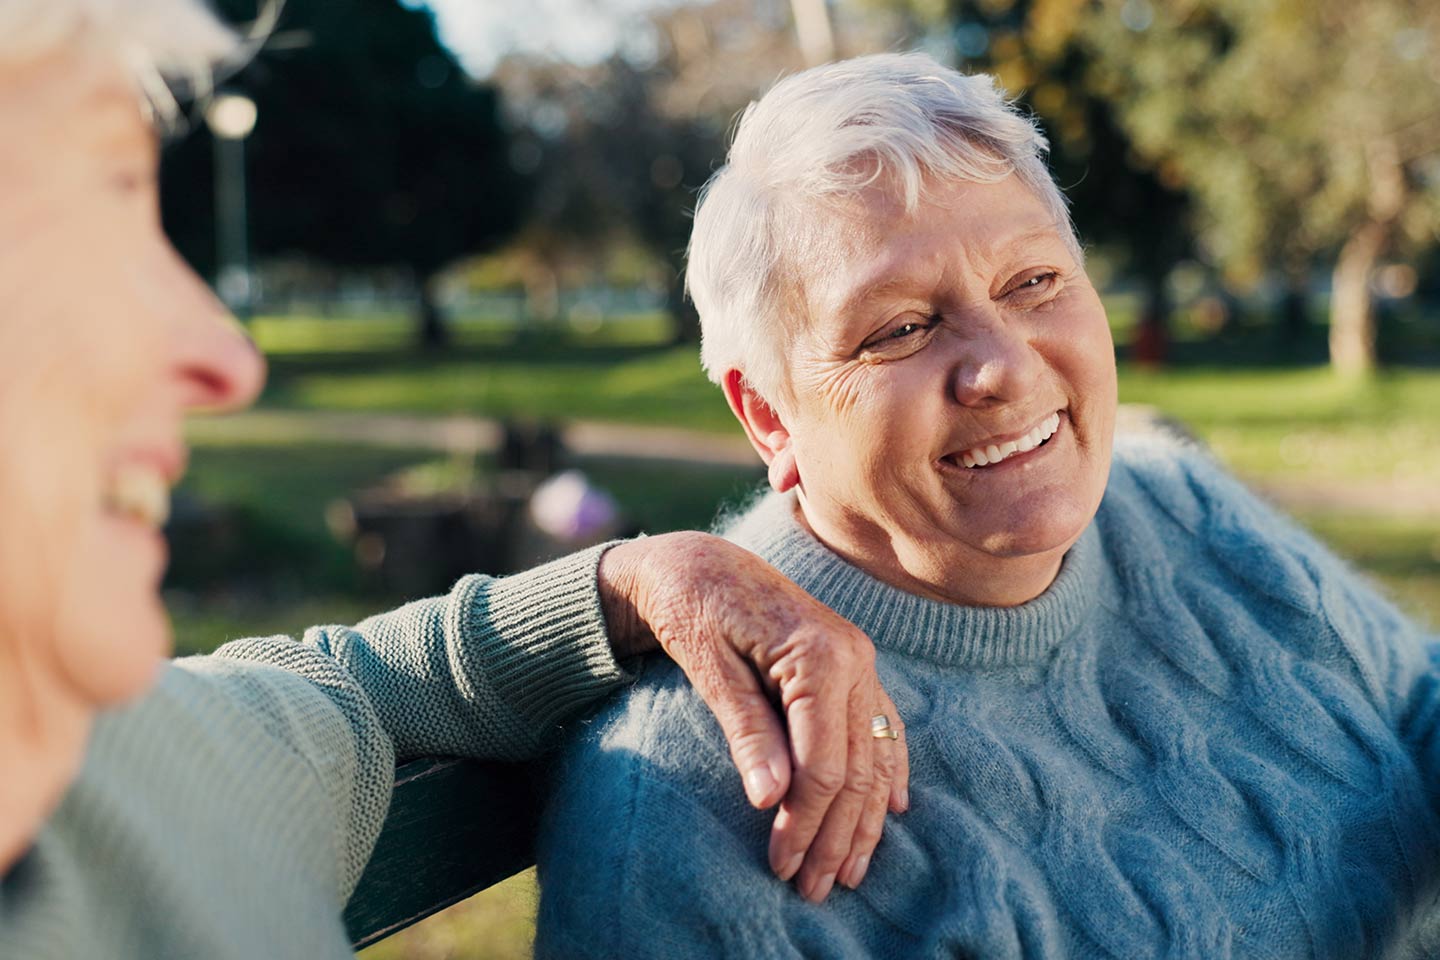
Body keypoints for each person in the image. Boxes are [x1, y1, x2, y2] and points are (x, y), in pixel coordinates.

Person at [0, 4, 911, 957]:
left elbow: (368, 690)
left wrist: (641, 582)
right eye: (66, 226)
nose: (225, 357)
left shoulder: (134, 755)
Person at [535, 52, 1440, 958]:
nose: (1001, 365)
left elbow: (1419, 706)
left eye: (1033, 283)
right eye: (901, 329)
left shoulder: (1176, 502)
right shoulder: (691, 805)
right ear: (770, 416)